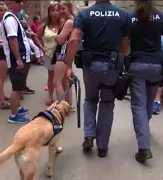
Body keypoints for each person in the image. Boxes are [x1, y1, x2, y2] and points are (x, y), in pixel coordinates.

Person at [65, 0, 129, 157]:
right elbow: (125, 44)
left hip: (91, 66)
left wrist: (68, 66)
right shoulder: (123, 15)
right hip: (111, 66)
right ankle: (102, 146)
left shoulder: (85, 14)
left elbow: (73, 40)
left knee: (90, 100)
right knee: (107, 103)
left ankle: (88, 136)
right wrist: (122, 59)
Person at [128, 0, 163, 162]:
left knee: (138, 105)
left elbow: (125, 43)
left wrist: (125, 60)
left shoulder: (131, 17)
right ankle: (145, 130)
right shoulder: (161, 17)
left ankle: (143, 147)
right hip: (156, 66)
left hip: (137, 65)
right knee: (148, 102)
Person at [2, 0, 30, 123]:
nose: (21, 4)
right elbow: (12, 39)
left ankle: (17, 107)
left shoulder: (14, 18)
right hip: (17, 60)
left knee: (20, 85)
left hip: (22, 57)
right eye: (18, 1)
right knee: (17, 87)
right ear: (10, 3)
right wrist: (18, 59)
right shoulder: (10, 19)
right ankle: (13, 116)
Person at [36, 2, 61, 106]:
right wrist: (41, 47)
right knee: (51, 77)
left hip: (61, 55)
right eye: (53, 10)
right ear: (49, 12)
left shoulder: (63, 24)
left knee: (61, 78)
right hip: (49, 55)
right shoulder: (45, 26)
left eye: (57, 10)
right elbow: (36, 37)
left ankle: (62, 99)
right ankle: (51, 96)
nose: (55, 13)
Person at [52, 1, 75, 111]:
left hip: (63, 53)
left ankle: (61, 107)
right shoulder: (72, 21)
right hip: (67, 53)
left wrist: (55, 37)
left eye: (63, 8)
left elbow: (60, 39)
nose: (61, 11)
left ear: (70, 8)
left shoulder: (68, 22)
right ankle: (69, 105)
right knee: (65, 81)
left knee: (56, 82)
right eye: (59, 8)